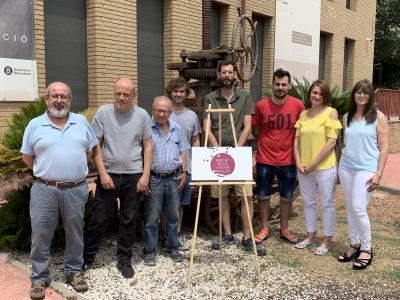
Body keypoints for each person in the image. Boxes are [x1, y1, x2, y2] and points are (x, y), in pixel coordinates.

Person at [21, 82, 97, 299]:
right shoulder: (35, 125)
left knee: (75, 233)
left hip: (75, 189)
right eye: (54, 96)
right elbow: (27, 157)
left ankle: (74, 272)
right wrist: (48, 172)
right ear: (46, 99)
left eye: (64, 96)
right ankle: (39, 278)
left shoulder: (81, 122)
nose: (59, 100)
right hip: (45, 189)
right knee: (41, 235)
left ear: (70, 100)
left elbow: (91, 150)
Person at [84, 78, 153, 278]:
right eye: (118, 93)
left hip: (133, 175)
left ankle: (124, 259)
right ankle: (87, 258)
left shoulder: (142, 115)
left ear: (134, 95)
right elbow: (95, 145)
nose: (121, 97)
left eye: (126, 94)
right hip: (109, 175)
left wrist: (145, 175)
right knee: (98, 218)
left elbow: (148, 146)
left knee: (129, 219)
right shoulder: (104, 113)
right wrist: (102, 173)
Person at [204, 60, 265, 256]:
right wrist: (218, 149)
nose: (227, 75)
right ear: (218, 74)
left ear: (235, 75)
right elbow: (206, 127)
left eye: (230, 72)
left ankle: (247, 237)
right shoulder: (210, 98)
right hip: (218, 153)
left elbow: (247, 126)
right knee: (221, 196)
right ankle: (227, 234)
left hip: (239, 152)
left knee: (245, 195)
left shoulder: (245, 97)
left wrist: (237, 150)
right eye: (224, 72)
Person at [338, 79, 388, 270]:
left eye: (366, 93)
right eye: (358, 92)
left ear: (370, 96)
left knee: (359, 207)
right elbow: (345, 144)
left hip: (367, 169)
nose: (362, 95)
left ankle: (367, 249)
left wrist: (379, 173)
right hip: (346, 167)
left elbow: (384, 148)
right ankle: (354, 244)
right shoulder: (346, 116)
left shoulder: (378, 116)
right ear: (354, 94)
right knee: (350, 208)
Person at [252, 68, 304, 245]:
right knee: (263, 195)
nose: (280, 87)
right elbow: (256, 130)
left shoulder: (298, 105)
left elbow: (301, 131)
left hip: (288, 160)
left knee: (287, 196)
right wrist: (267, 144)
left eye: (284, 84)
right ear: (272, 85)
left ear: (289, 86)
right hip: (265, 159)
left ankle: (284, 229)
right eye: (277, 84)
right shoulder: (261, 106)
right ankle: (264, 228)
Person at [293, 80, 342, 255]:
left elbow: (331, 142)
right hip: (304, 168)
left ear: (325, 96)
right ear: (309, 94)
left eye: (321, 94)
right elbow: (296, 141)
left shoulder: (331, 113)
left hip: (323, 168)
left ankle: (326, 240)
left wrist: (313, 164)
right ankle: (310, 235)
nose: (317, 96)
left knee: (327, 203)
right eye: (314, 92)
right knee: (308, 202)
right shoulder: (303, 115)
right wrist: (298, 162)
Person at [143, 96, 189, 266]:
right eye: (158, 110)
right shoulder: (146, 128)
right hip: (154, 178)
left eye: (165, 111)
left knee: (173, 216)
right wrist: (144, 177)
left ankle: (172, 247)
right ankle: (149, 251)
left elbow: (183, 150)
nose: (161, 114)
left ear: (170, 112)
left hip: (174, 178)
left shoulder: (177, 128)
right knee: (152, 218)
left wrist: (184, 171)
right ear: (152, 109)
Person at [166, 78, 202, 249]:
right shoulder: (163, 112)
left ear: (186, 93)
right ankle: (165, 235)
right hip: (165, 166)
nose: (179, 94)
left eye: (182, 91)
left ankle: (176, 234)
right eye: (175, 91)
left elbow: (195, 140)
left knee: (180, 202)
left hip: (185, 167)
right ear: (170, 93)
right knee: (165, 203)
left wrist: (196, 163)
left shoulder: (192, 116)